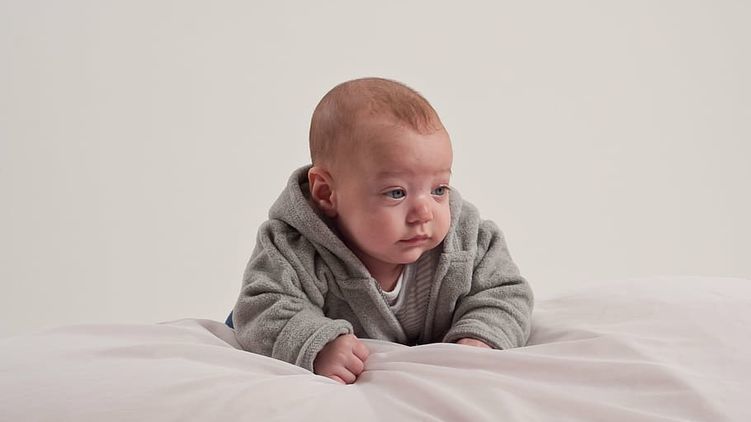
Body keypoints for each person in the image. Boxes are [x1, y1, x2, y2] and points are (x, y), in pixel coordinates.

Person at [230, 77, 533, 384]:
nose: (424, 213)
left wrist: (480, 336)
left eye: (439, 189)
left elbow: (506, 292)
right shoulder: (294, 247)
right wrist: (318, 344)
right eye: (396, 193)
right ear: (326, 193)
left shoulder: (467, 239)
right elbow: (260, 308)